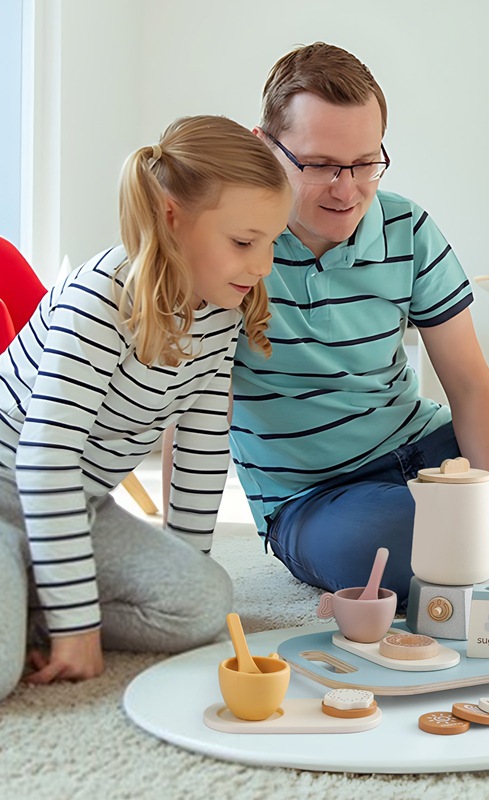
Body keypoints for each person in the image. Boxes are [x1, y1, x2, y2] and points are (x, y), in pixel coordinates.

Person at [230, 42, 489, 603]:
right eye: (319, 165)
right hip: (311, 499)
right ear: (265, 149)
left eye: (365, 164)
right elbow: (186, 407)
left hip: (427, 446)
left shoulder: (407, 227)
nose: (347, 188)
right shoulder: (232, 244)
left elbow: (471, 385)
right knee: (421, 544)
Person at [0, 114, 291, 700]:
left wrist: (187, 565)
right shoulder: (100, 299)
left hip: (78, 509)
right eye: (243, 242)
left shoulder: (219, 312)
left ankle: (40, 597)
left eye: (271, 243)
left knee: (205, 602)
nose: (262, 266)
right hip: (13, 489)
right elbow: (44, 459)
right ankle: (51, 604)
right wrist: (78, 626)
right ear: (170, 216)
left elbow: (202, 444)